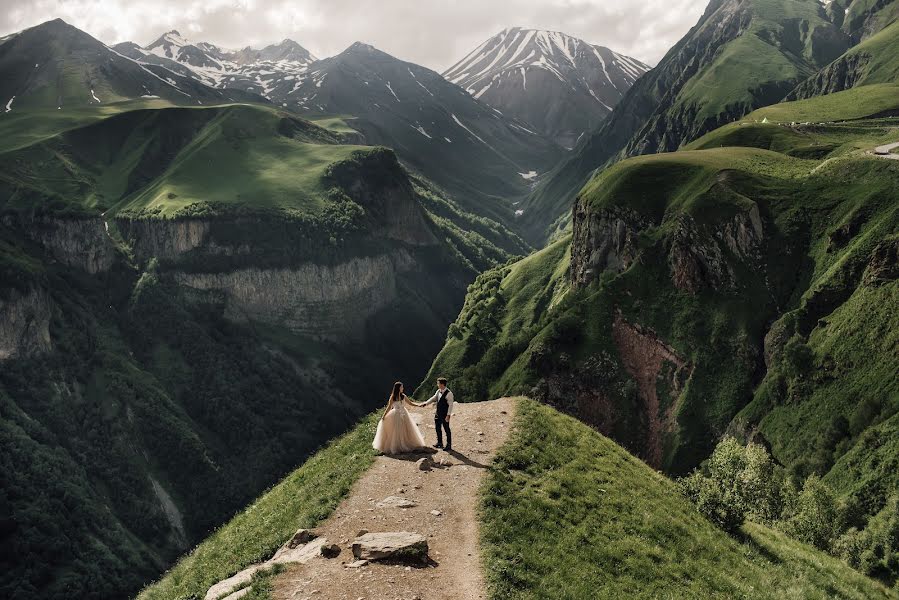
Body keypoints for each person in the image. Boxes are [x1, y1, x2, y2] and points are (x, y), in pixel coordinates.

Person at [372, 381, 427, 454]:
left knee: (404, 430)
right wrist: (384, 416)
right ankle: (397, 446)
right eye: (401, 387)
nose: (403, 388)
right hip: (395, 415)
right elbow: (389, 407)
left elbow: (410, 403)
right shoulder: (392, 397)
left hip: (404, 414)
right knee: (396, 431)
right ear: (398, 388)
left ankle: (404, 444)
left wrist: (419, 405)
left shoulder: (403, 396)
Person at [419, 377, 454, 451]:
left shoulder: (449, 394)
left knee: (446, 429)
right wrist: (426, 403)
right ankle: (439, 442)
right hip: (438, 413)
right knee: (438, 428)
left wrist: (448, 415)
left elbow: (450, 405)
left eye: (438, 383)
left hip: (445, 414)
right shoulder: (438, 391)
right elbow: (433, 398)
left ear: (442, 384)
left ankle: (449, 445)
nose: (437, 385)